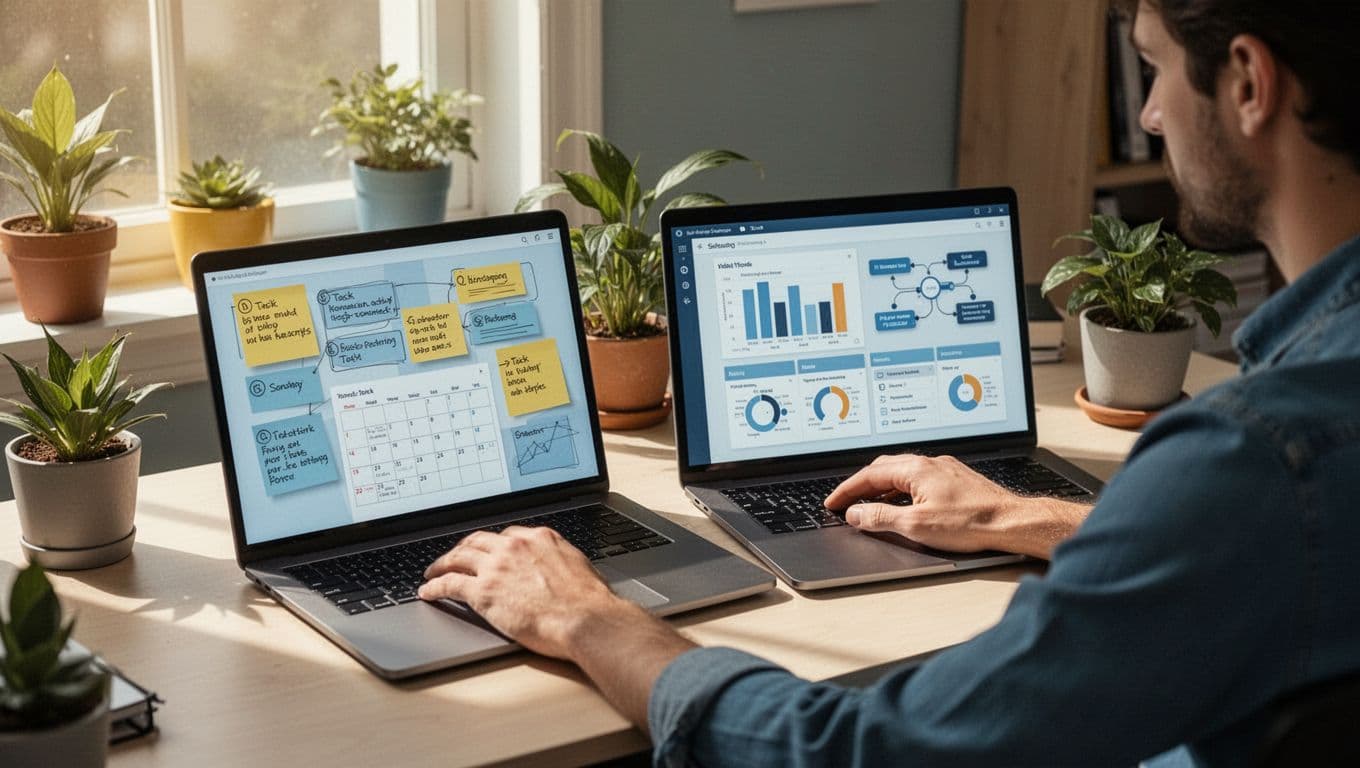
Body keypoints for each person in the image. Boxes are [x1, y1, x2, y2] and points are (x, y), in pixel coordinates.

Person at [420, 0, 1360, 764]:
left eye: (1153, 67)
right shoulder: (1295, 451)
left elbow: (857, 752)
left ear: (1248, 82)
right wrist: (1034, 518)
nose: (1149, 114)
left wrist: (590, 619)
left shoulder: (1249, 458)